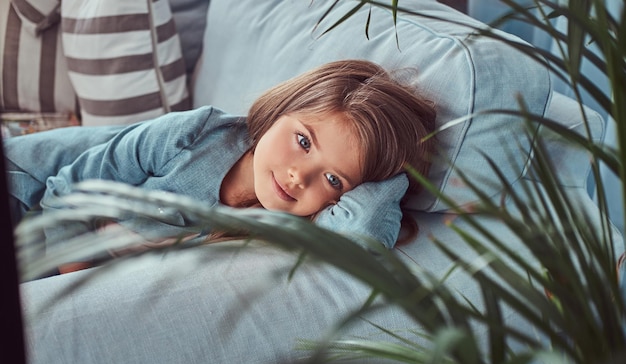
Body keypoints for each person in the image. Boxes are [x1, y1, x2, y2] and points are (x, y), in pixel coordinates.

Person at [5, 59, 436, 274]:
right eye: (303, 141)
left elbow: (363, 242)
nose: (297, 177)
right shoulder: (197, 134)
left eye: (332, 177)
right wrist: (65, 283)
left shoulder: (295, 222)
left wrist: (390, 173)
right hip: (27, 189)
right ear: (281, 109)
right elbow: (68, 191)